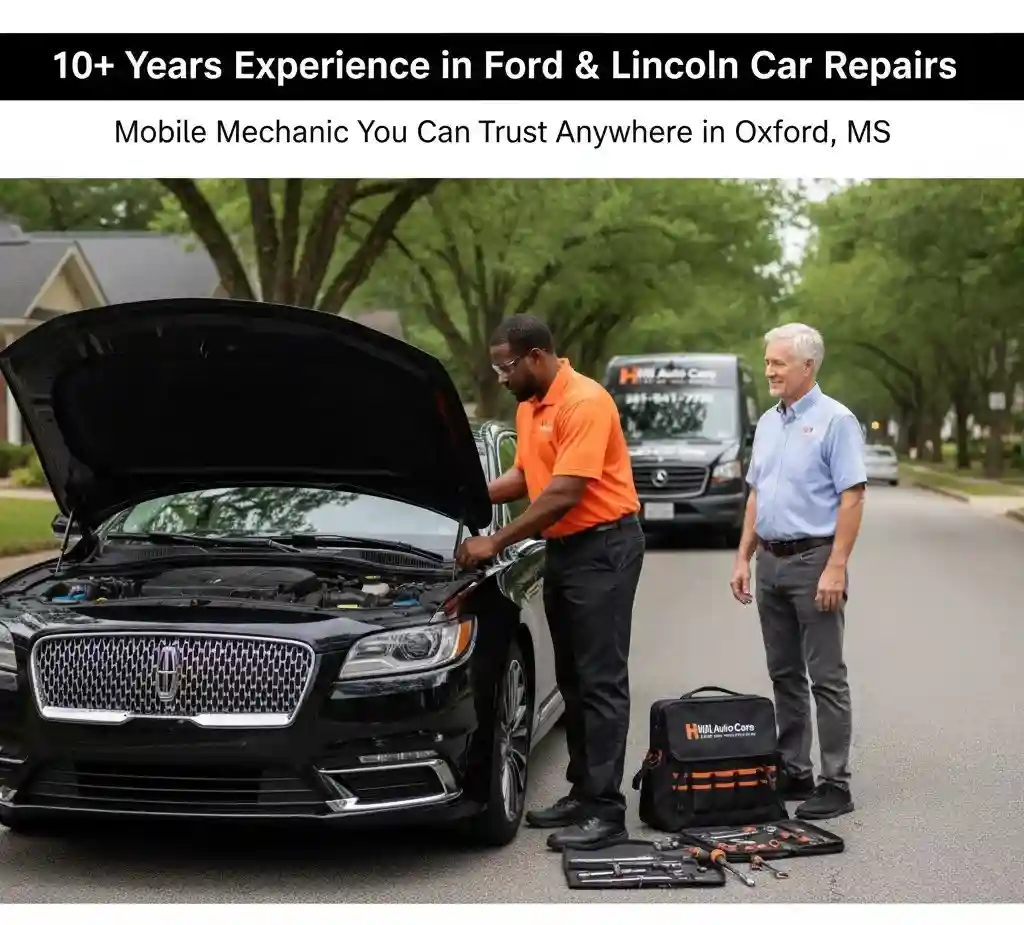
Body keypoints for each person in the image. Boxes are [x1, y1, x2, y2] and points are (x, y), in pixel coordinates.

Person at [456, 315, 645, 851]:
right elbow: (526, 476)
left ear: (536, 355)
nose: (501, 377)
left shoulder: (585, 402)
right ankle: (583, 793)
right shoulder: (531, 404)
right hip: (566, 549)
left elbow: (563, 491)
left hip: (604, 548)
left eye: (506, 366)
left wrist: (494, 542)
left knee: (602, 680)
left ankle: (606, 812)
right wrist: (466, 497)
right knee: (575, 679)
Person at [729, 322, 866, 821]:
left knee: (826, 677)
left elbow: (853, 496)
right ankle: (794, 768)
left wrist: (837, 566)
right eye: (767, 361)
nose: (769, 370)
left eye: (778, 363)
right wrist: (743, 556)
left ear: (807, 366)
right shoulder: (768, 422)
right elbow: (756, 493)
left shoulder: (836, 421)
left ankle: (836, 783)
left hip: (814, 563)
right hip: (770, 562)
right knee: (784, 674)